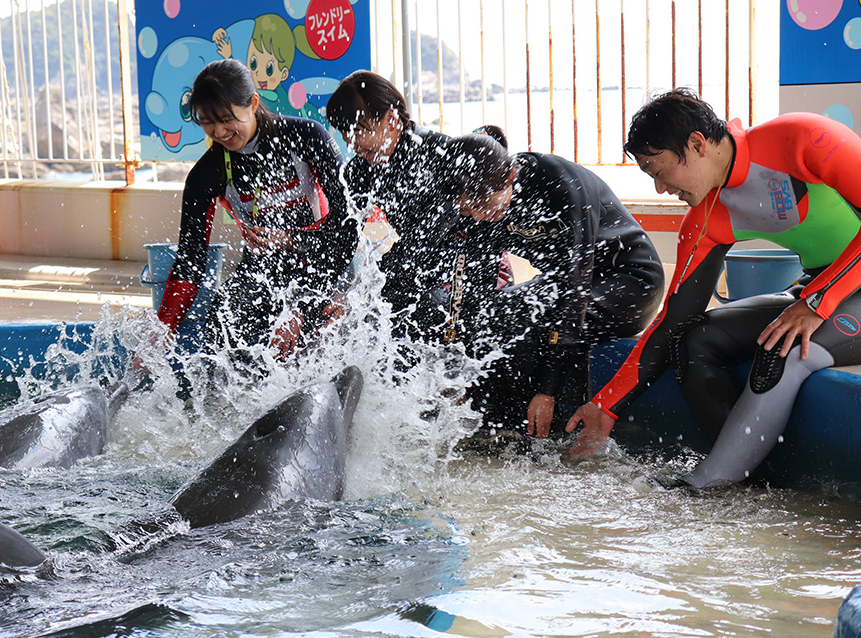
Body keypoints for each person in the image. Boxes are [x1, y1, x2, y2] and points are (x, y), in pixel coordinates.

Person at [566, 88, 861, 486]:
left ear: (697, 144)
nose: (660, 189)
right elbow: (673, 320)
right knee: (693, 340)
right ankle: (752, 488)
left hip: (830, 293)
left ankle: (709, 483)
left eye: (658, 171)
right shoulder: (706, 217)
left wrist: (815, 303)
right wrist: (606, 406)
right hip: (821, 286)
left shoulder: (802, 138)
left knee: (785, 348)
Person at [440, 134, 665, 434]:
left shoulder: (559, 183)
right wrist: (466, 375)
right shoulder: (479, 208)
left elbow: (574, 289)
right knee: (494, 313)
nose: (479, 217)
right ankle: (494, 427)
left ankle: (542, 429)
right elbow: (479, 295)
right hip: (562, 286)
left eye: (484, 205)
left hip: (630, 285)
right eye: (468, 211)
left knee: (531, 322)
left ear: (510, 176)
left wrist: (547, 391)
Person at [157, 59, 358, 359]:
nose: (219, 131)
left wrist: (299, 305)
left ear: (252, 103)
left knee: (316, 335)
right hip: (263, 270)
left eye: (227, 119)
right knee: (221, 323)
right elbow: (191, 259)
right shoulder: (206, 174)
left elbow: (348, 225)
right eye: (207, 122)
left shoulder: (307, 136)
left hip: (325, 260)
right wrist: (162, 329)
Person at [326, 71, 460, 342]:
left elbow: (424, 241)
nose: (352, 144)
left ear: (392, 119)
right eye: (344, 134)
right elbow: (340, 238)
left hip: (465, 271)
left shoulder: (441, 155)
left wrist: (362, 294)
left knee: (408, 312)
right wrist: (328, 294)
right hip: (416, 270)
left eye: (359, 131)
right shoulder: (360, 171)